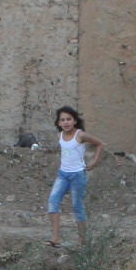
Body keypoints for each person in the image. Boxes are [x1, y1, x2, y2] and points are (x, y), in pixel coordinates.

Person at [47, 105, 105, 247]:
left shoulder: (80, 135)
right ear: (59, 123)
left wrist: (93, 162)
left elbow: (99, 144)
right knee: (52, 202)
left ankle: (83, 240)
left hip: (77, 175)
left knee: (77, 207)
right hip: (63, 174)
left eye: (69, 119)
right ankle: (55, 237)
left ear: (74, 121)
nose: (66, 122)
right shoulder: (59, 135)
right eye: (63, 120)